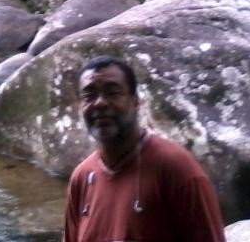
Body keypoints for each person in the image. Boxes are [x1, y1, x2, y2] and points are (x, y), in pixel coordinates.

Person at [63, 55, 226, 242]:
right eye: (89, 96)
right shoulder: (81, 177)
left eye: (112, 92)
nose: (100, 103)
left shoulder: (177, 169)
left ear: (135, 102)